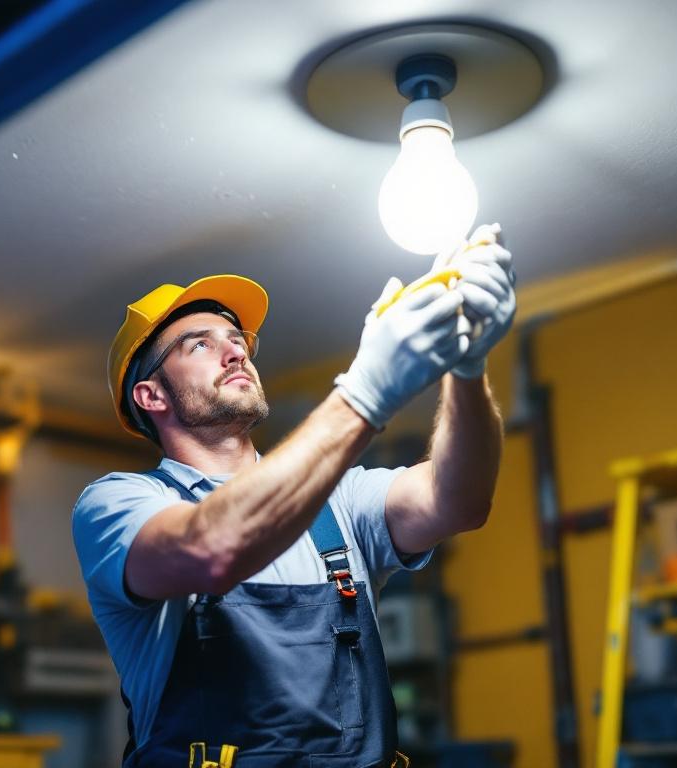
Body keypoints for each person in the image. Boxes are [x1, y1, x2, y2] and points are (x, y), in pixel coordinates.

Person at [73, 224, 516, 768]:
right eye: (200, 344)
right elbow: (209, 549)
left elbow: (459, 500)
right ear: (151, 394)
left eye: (237, 339)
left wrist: (464, 366)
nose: (234, 352)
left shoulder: (340, 500)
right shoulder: (118, 504)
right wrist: (366, 390)